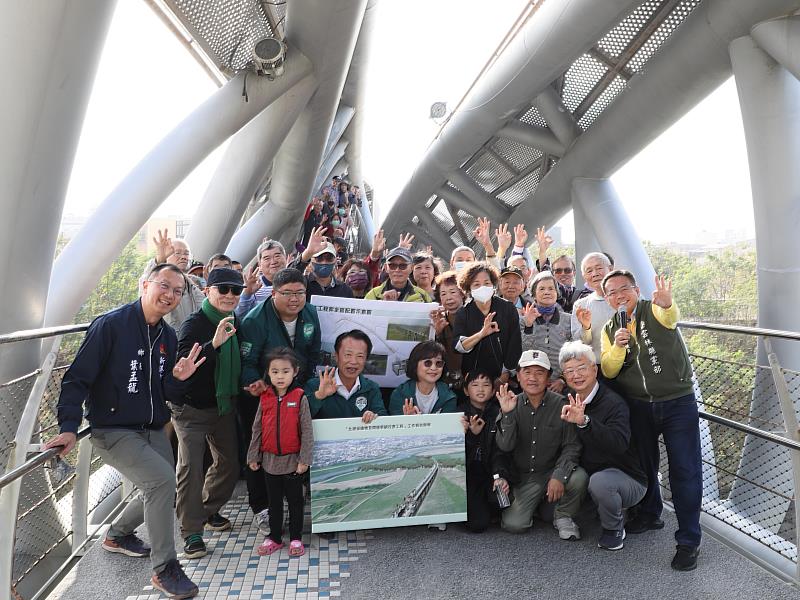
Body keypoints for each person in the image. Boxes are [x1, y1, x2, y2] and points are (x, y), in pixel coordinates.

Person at [46, 263, 204, 599]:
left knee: (164, 485)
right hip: (113, 429)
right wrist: (69, 427)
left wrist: (178, 378)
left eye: (178, 291)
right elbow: (76, 379)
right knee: (161, 480)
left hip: (151, 427)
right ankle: (166, 569)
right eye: (165, 286)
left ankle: (116, 534)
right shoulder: (111, 326)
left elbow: (164, 392)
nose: (171, 296)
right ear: (145, 284)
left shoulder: (168, 335)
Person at [600, 270, 702, 571]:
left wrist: (669, 304)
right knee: (645, 465)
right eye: (613, 292)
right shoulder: (609, 328)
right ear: (606, 299)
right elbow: (608, 369)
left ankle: (688, 541)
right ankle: (651, 512)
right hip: (639, 406)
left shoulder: (653, 309)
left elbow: (669, 318)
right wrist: (619, 345)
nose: (620, 296)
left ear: (636, 289)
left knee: (684, 470)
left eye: (625, 289)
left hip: (677, 403)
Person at [239, 268, 320, 531]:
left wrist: (306, 387)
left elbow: (313, 352)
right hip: (265, 394)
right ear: (273, 294)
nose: (295, 299)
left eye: (300, 293)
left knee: (296, 440)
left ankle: (295, 494)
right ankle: (262, 507)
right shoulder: (255, 320)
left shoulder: (310, 314)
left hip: (297, 391)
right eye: (287, 293)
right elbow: (247, 360)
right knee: (262, 448)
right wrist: (257, 383)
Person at [172, 268, 244, 559]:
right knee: (191, 468)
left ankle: (206, 509)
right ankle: (191, 533)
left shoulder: (233, 319)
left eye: (236, 290)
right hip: (191, 409)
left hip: (223, 405)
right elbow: (183, 369)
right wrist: (213, 345)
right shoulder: (195, 324)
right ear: (207, 290)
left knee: (229, 463)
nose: (229, 295)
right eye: (223, 289)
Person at [558, 342, 647, 551]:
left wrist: (585, 422)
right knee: (547, 511)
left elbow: (618, 444)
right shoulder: (566, 401)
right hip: (588, 474)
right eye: (570, 371)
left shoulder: (613, 403)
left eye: (582, 368)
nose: (576, 375)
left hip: (627, 476)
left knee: (601, 483)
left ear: (595, 370)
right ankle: (601, 506)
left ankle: (614, 528)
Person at [494, 350, 587, 540]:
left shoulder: (561, 404)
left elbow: (572, 446)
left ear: (548, 377)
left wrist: (559, 476)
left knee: (579, 477)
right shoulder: (511, 403)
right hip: (524, 476)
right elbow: (504, 446)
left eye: (539, 373)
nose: (533, 378)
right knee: (514, 524)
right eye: (527, 373)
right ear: (518, 377)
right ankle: (543, 507)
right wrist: (508, 414)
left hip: (551, 470)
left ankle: (563, 515)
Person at [248, 348, 313, 557]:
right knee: (273, 502)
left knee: (295, 502)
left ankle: (295, 538)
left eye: (285, 371)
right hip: (269, 462)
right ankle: (275, 538)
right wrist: (253, 455)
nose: (280, 376)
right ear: (268, 373)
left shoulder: (300, 397)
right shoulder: (265, 398)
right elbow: (257, 427)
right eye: (274, 371)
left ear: (295, 371)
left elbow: (307, 430)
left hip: (293, 461)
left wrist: (305, 459)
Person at [459, 369, 514, 533]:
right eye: (475, 385)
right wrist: (471, 436)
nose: (480, 389)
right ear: (465, 390)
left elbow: (501, 450)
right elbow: (453, 452)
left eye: (486, 385)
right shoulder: (459, 414)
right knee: (477, 525)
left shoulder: (498, 412)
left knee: (501, 499)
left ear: (493, 391)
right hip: (467, 473)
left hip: (490, 471)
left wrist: (500, 476)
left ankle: (489, 507)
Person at [453, 262, 522, 382]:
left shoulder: (508, 309)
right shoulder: (463, 313)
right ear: (469, 288)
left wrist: (505, 375)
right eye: (476, 284)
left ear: (493, 285)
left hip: (504, 377)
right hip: (474, 379)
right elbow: (459, 346)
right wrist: (481, 334)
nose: (482, 288)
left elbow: (515, 345)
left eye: (486, 283)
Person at [304, 330, 386, 421]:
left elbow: (383, 418)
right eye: (348, 355)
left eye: (360, 356)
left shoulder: (371, 388)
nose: (353, 361)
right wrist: (318, 396)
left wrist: (374, 416)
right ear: (336, 356)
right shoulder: (315, 385)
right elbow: (299, 417)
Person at [139, 229, 205, 331]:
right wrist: (160, 259)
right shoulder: (155, 278)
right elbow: (148, 283)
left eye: (186, 253)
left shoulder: (191, 283)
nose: (183, 257)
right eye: (177, 253)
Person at [520, 271, 572, 392]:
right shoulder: (523, 320)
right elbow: (523, 353)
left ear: (557, 293)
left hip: (560, 385)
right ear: (534, 294)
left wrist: (562, 379)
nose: (547, 292)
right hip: (532, 384)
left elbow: (572, 355)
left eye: (551, 288)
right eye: (542, 289)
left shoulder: (568, 319)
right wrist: (528, 325)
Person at [388, 341, 458, 415]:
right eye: (428, 363)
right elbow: (394, 424)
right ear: (415, 365)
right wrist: (407, 421)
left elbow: (447, 425)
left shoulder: (449, 396)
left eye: (439, 363)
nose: (433, 368)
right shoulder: (400, 394)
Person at [570, 252, 614, 364]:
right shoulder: (581, 305)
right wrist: (586, 327)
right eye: (589, 271)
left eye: (599, 268)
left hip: (629, 366)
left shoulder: (628, 298)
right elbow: (581, 343)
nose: (594, 274)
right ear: (584, 276)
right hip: (597, 367)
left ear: (611, 269)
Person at [289, 236, 353, 302]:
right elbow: (287, 277)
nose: (324, 262)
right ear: (311, 260)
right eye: (319, 258)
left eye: (329, 258)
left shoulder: (345, 290)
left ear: (335, 260)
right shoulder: (301, 284)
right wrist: (307, 253)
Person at [236, 239, 288, 317]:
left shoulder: (296, 282)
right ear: (259, 264)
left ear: (286, 258)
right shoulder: (253, 286)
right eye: (267, 258)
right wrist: (247, 293)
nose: (273, 261)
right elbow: (239, 315)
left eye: (277, 256)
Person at [431, 271, 465, 388]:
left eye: (452, 292)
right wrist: (437, 333)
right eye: (443, 294)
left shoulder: (473, 315)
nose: (448, 298)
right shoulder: (439, 319)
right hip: (447, 381)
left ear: (462, 294)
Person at [364, 247, 432, 302]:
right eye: (392, 266)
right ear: (386, 268)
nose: (397, 270)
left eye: (403, 266)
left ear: (411, 268)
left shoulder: (423, 296)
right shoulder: (374, 295)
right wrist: (382, 305)